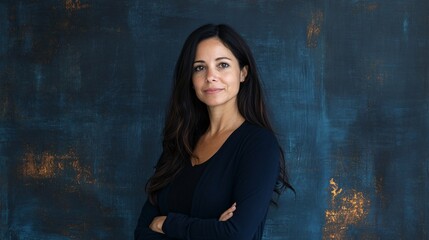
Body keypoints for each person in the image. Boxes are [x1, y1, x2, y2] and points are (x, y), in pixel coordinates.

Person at [134, 23, 293, 240]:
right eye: (199, 67)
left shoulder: (258, 145)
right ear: (190, 79)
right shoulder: (181, 142)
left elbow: (235, 234)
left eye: (223, 65)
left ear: (243, 73)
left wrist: (168, 223)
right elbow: (141, 232)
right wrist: (209, 230)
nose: (210, 76)